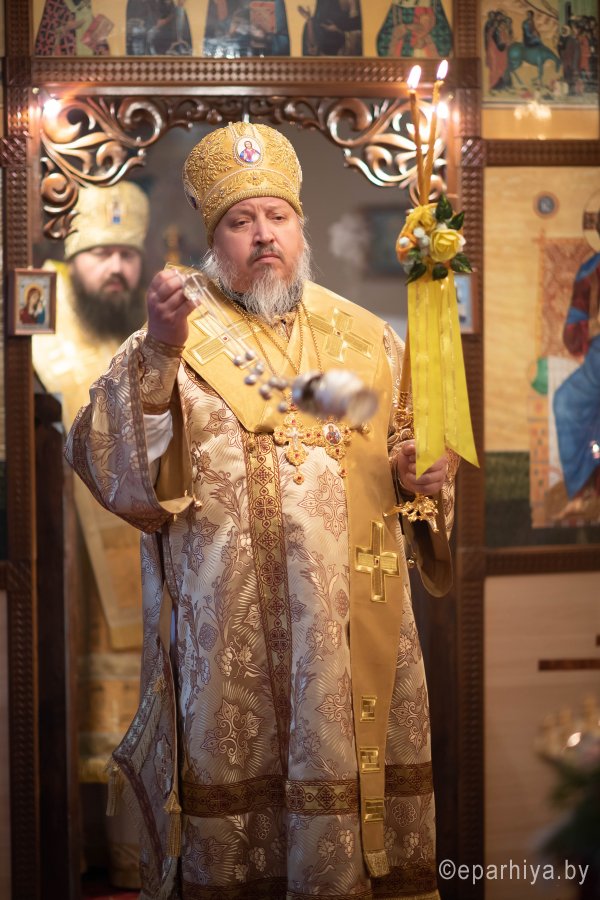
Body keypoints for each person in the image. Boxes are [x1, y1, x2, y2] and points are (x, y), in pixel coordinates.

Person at [66, 122, 458, 899]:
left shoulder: (368, 338)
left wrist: (420, 479)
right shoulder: (175, 338)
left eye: (277, 216)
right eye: (240, 222)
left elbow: (415, 470)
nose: (263, 235)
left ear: (300, 228)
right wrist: (160, 353)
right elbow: (112, 465)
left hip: (347, 633)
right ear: (215, 240)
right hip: (230, 645)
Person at [33, 180, 150, 887]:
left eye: (127, 254)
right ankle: (75, 859)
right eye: (101, 253)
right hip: (65, 554)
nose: (116, 268)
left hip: (143, 543)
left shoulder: (148, 336)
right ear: (72, 259)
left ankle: (137, 859)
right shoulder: (39, 333)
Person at [553, 200, 600, 521]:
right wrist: (589, 327)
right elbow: (573, 327)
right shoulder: (589, 272)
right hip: (597, 357)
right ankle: (582, 493)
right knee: (565, 401)